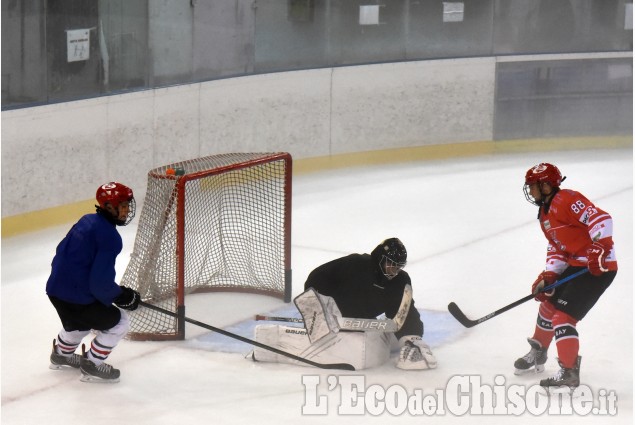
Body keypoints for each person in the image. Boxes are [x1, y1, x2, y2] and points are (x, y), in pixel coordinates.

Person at [514, 163, 617, 390]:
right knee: (548, 306)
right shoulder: (544, 214)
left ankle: (569, 372)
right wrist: (550, 275)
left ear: (547, 185)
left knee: (563, 318)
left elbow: (601, 219)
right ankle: (539, 351)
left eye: (533, 186)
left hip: (597, 269)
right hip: (576, 266)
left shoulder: (567, 199)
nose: (530, 191)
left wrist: (600, 247)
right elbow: (558, 247)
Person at [46, 182, 141, 383]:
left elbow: (60, 253)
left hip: (55, 289)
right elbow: (100, 283)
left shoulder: (87, 220)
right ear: (108, 206)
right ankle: (93, 363)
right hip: (76, 296)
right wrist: (122, 295)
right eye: (122, 206)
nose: (127, 210)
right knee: (120, 322)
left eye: (127, 205)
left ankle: (61, 354)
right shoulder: (110, 237)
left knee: (79, 324)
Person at [303, 237, 437, 370]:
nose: (394, 270)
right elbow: (316, 277)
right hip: (333, 307)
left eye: (398, 267)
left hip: (359, 320)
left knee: (398, 314)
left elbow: (404, 310)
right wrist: (316, 307)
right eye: (390, 264)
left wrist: (411, 336)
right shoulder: (356, 264)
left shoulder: (400, 280)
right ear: (380, 258)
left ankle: (411, 343)